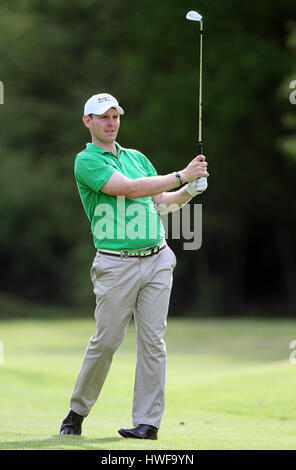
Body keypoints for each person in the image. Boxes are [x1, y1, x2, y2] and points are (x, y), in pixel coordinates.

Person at [60, 93, 209, 440]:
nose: (111, 123)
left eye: (115, 116)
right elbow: (127, 188)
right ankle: (78, 410)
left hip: (157, 258)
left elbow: (161, 202)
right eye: (103, 117)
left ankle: (147, 423)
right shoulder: (87, 161)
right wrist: (181, 174)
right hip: (116, 264)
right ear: (88, 121)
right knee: (108, 340)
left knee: (153, 342)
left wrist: (189, 190)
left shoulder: (137, 157)